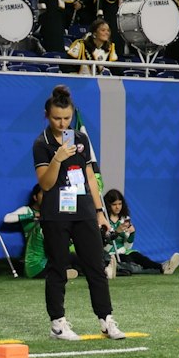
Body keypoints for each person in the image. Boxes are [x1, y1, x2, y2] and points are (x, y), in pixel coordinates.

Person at [35, 86, 126, 341]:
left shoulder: (81, 139)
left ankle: (106, 319)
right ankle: (57, 324)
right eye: (56, 118)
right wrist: (58, 158)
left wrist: (99, 211)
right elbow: (45, 183)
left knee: (96, 266)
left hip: (83, 209)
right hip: (55, 213)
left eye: (66, 118)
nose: (62, 123)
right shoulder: (41, 143)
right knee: (58, 268)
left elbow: (89, 177)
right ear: (47, 115)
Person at [101, 189, 179, 276]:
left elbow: (127, 246)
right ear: (108, 205)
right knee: (130, 262)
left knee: (138, 256)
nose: (117, 207)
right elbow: (103, 242)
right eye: (114, 204)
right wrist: (117, 232)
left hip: (123, 251)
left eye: (120, 204)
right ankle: (162, 268)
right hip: (109, 254)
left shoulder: (124, 219)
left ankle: (162, 267)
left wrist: (132, 234)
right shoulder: (104, 220)